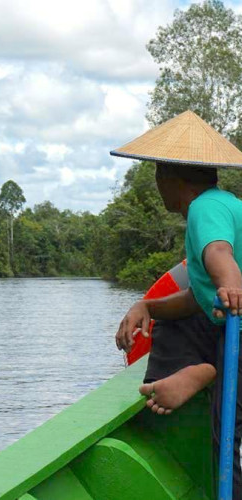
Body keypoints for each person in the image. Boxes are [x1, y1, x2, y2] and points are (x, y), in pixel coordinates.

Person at [110, 110, 242, 499]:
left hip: (239, 329)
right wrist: (148, 307)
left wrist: (230, 283)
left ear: (169, 179)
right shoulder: (229, 203)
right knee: (172, 319)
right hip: (224, 323)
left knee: (226, 439)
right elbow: (195, 298)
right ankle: (203, 369)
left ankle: (202, 371)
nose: (157, 187)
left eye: (157, 177)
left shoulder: (204, 209)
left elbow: (219, 251)